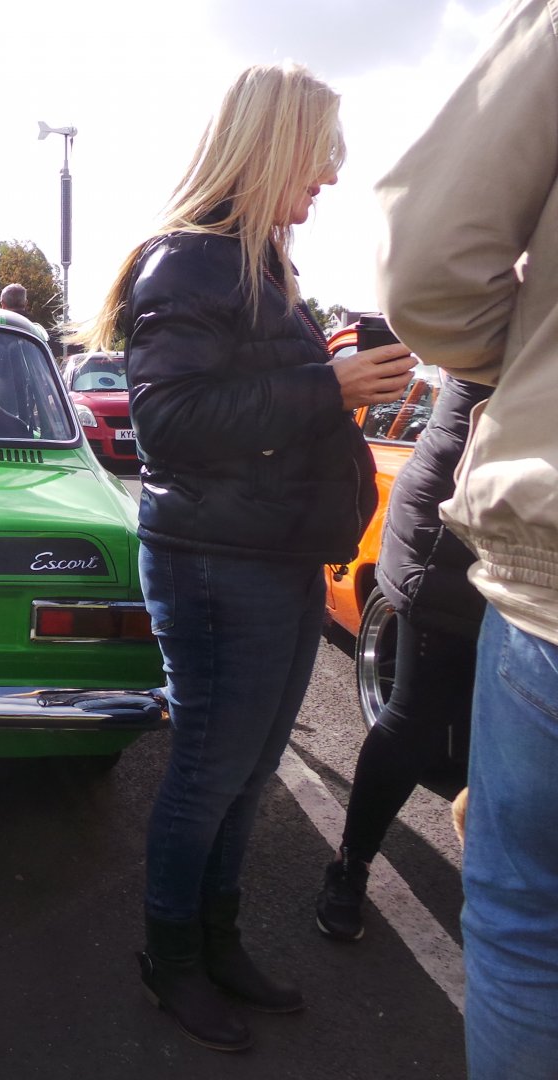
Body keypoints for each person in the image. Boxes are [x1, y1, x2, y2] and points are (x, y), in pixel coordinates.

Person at [84, 62, 416, 1052]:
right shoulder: (187, 263)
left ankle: (217, 942)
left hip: (266, 553)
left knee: (250, 767)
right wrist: (333, 386)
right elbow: (172, 426)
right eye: (320, 159)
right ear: (271, 146)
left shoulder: (255, 263)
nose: (329, 180)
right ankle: (170, 958)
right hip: (215, 560)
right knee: (207, 771)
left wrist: (333, 372)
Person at [376, 3, 558, 1074]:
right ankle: (348, 872)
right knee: (404, 723)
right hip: (466, 569)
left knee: (527, 933)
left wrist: (526, 357)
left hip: (539, 591)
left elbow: (430, 267)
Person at [315, 374, 491, 941]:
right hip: (457, 539)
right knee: (417, 718)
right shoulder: (513, 297)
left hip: (528, 544)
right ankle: (351, 863)